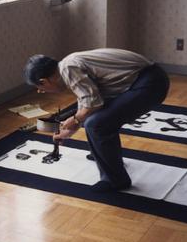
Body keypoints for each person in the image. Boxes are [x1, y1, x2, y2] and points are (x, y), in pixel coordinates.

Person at [23, 48, 169, 192]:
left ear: (44, 81)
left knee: (97, 124)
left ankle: (116, 181)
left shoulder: (69, 68)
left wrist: (75, 119)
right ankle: (106, 156)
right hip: (148, 78)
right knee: (95, 120)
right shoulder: (68, 64)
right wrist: (70, 129)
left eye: (39, 88)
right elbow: (86, 102)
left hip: (150, 84)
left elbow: (93, 103)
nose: (41, 91)